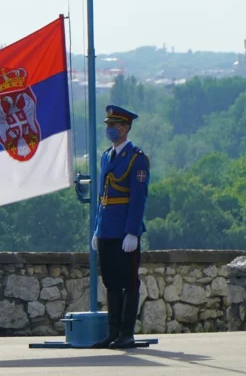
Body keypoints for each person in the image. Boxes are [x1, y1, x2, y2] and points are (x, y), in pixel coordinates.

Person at [91, 105, 150, 349]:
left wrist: (132, 232)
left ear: (125, 128)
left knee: (129, 282)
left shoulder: (137, 159)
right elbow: (102, 196)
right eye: (107, 125)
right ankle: (112, 333)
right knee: (111, 283)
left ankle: (127, 333)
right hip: (107, 229)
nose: (109, 129)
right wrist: (97, 228)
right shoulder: (107, 156)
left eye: (113, 125)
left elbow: (138, 198)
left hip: (125, 231)